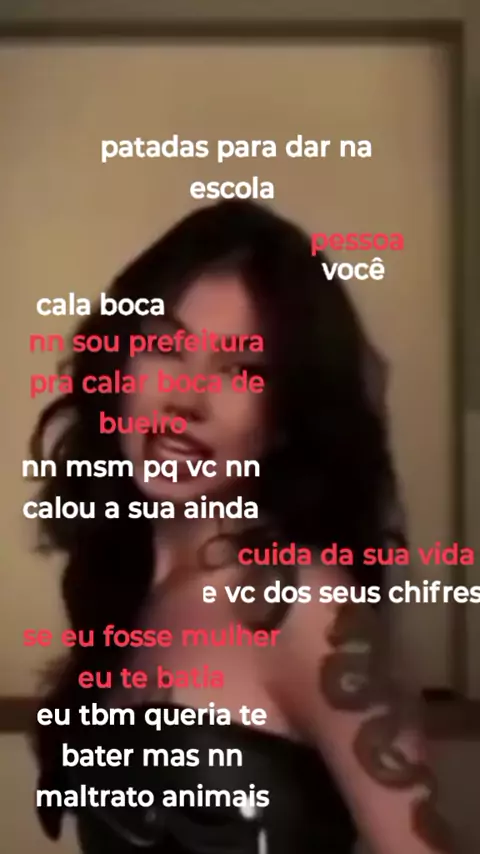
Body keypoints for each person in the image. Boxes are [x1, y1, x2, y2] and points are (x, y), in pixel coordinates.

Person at [29, 200, 452, 853]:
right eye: (165, 347)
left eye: (241, 371)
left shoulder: (306, 607)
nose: (187, 400)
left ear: (288, 415)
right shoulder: (125, 587)